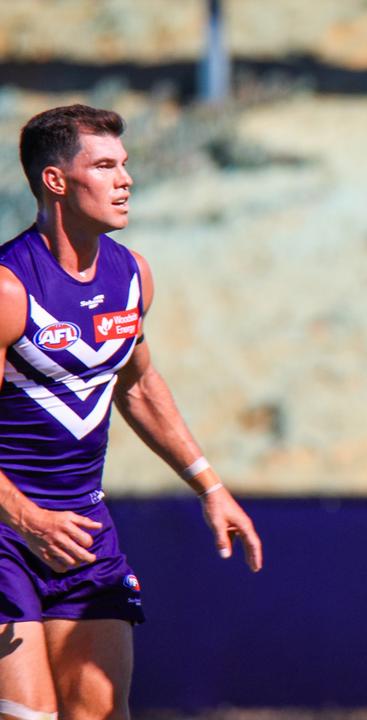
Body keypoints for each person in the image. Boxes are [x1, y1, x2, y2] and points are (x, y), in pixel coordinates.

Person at [0, 105, 263, 719]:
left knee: (101, 710)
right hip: (7, 534)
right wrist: (26, 517)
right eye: (105, 165)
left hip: (84, 531)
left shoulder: (132, 276)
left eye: (125, 164)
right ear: (55, 182)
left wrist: (210, 486)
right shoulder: (9, 290)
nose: (126, 179)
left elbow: (139, 388)